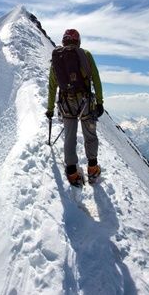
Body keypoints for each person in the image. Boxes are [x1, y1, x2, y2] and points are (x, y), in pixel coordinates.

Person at [46, 29, 104, 186]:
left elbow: (52, 86)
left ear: (64, 41)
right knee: (90, 135)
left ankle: (72, 174)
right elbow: (96, 79)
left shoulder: (57, 58)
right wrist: (100, 102)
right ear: (78, 41)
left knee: (69, 138)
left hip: (66, 104)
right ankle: (92, 169)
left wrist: (50, 108)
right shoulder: (85, 54)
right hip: (85, 102)